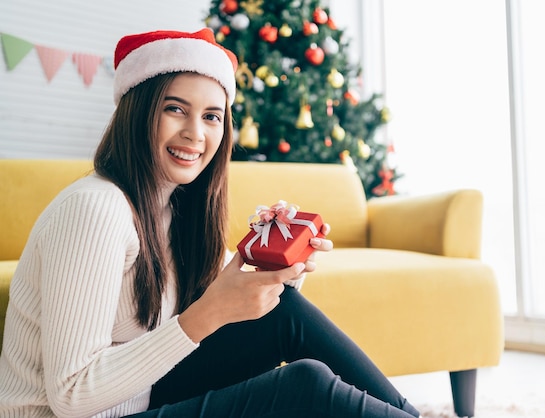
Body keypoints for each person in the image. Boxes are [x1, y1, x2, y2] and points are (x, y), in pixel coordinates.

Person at [0, 28, 421, 418]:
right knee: (303, 384)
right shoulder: (95, 209)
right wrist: (206, 314)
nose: (195, 133)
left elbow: (228, 305)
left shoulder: (173, 207)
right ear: (138, 112)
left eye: (212, 116)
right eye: (175, 109)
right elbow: (71, 395)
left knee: (283, 309)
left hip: (137, 399)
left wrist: (277, 272)